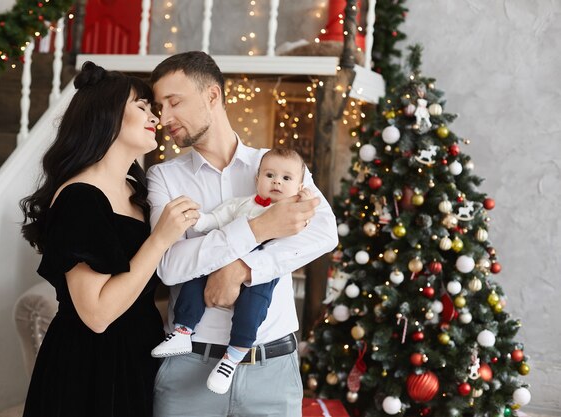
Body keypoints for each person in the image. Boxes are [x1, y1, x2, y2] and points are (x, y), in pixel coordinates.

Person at [147, 51, 338, 416]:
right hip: (188, 366)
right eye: (159, 106)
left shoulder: (279, 167)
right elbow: (170, 266)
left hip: (272, 369)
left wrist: (243, 269)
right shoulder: (163, 178)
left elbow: (323, 234)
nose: (164, 118)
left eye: (174, 102)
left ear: (212, 96)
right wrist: (260, 227)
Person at [19, 61, 200, 417]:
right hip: (90, 367)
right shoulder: (80, 196)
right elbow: (97, 315)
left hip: (140, 353)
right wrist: (159, 238)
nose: (156, 118)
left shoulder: (138, 189)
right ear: (109, 115)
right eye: (142, 107)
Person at [150, 148, 314, 394]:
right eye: (270, 175)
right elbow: (216, 218)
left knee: (254, 307)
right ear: (257, 178)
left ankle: (233, 356)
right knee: (194, 283)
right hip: (221, 253)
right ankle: (183, 329)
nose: (277, 181)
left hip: (261, 268)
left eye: (286, 179)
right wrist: (199, 220)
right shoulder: (242, 204)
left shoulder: (295, 211)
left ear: (300, 187)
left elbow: (313, 237)